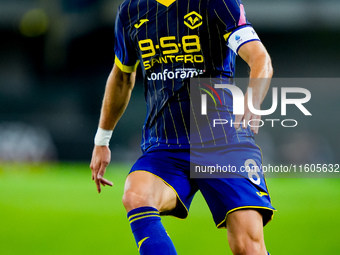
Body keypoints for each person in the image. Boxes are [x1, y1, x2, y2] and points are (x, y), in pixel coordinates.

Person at [90, 0, 275, 254]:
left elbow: (259, 58)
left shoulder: (217, 3)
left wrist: (253, 100)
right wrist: (102, 139)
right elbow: (122, 76)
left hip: (223, 141)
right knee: (136, 195)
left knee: (247, 246)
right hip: (166, 145)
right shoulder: (130, 10)